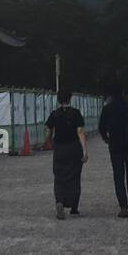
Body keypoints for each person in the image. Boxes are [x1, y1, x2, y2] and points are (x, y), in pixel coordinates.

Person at [98, 82, 128, 218]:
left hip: (115, 145)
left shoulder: (108, 108)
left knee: (118, 176)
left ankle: (123, 206)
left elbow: (101, 127)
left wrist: (106, 138)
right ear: (124, 93)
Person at [46, 89, 88, 218]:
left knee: (59, 177)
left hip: (59, 148)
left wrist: (47, 142)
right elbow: (80, 131)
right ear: (70, 99)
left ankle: (60, 201)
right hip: (74, 147)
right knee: (75, 177)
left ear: (58, 100)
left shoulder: (54, 114)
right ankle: (74, 207)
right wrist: (84, 150)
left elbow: (49, 131)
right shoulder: (76, 113)